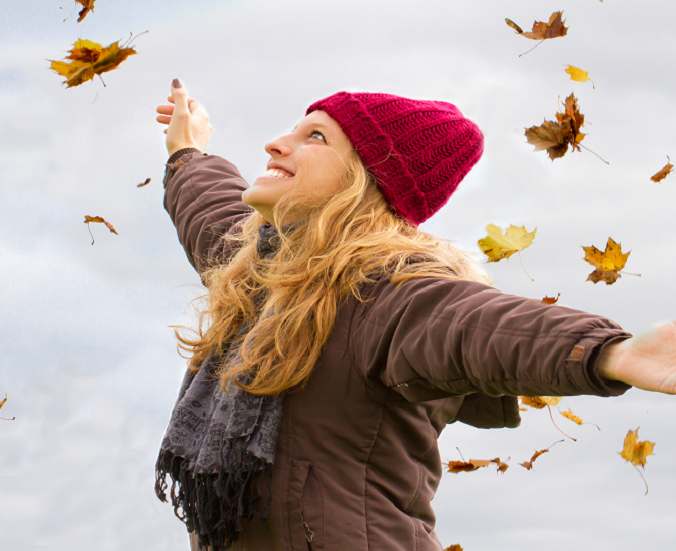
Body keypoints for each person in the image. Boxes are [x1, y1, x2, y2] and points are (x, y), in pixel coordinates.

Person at [152, 78, 676, 551]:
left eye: (315, 137)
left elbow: (476, 328)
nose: (276, 144)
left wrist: (608, 351)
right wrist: (187, 151)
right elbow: (211, 207)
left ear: (365, 182)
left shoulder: (386, 295)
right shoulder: (261, 275)